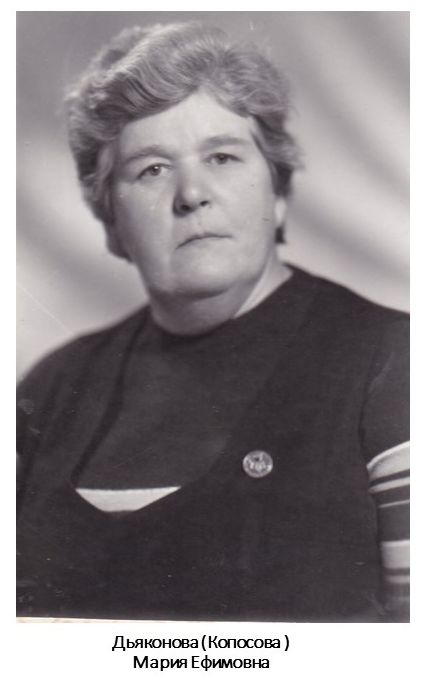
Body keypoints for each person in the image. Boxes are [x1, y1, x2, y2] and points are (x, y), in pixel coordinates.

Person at [16, 21, 409, 622]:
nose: (191, 194)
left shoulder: (392, 361)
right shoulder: (51, 390)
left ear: (278, 191)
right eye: (151, 169)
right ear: (111, 221)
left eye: (222, 157)